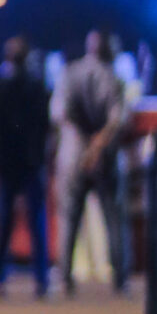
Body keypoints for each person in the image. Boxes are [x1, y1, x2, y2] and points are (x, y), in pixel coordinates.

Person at [58, 30, 128, 293]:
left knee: (69, 218)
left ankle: (64, 278)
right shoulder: (114, 78)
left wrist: (83, 144)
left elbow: (61, 114)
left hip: (72, 156)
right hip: (104, 157)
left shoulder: (69, 73)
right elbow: (118, 118)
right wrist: (96, 145)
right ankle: (120, 279)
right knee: (114, 218)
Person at [0, 34, 51, 298]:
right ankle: (41, 280)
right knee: (36, 222)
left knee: (4, 222)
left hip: (6, 162)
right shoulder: (37, 87)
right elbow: (44, 124)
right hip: (31, 161)